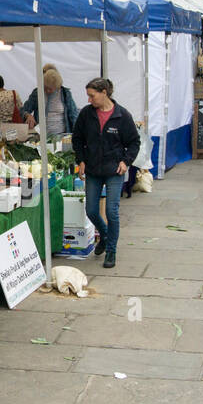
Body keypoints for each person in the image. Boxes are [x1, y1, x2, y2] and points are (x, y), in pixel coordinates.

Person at [72, 78, 139, 269]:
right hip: (93, 169)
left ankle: (111, 250)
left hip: (114, 170)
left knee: (112, 211)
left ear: (104, 93)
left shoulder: (122, 116)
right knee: (91, 210)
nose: (89, 99)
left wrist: (126, 162)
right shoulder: (86, 114)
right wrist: (81, 160)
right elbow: (77, 139)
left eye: (92, 95)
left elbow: (134, 142)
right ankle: (105, 234)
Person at [23, 64, 80, 136]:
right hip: (40, 136)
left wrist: (78, 134)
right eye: (45, 87)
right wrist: (28, 115)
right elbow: (24, 109)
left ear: (57, 86)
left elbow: (73, 115)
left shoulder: (65, 94)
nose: (47, 91)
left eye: (50, 89)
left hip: (61, 135)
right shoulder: (37, 93)